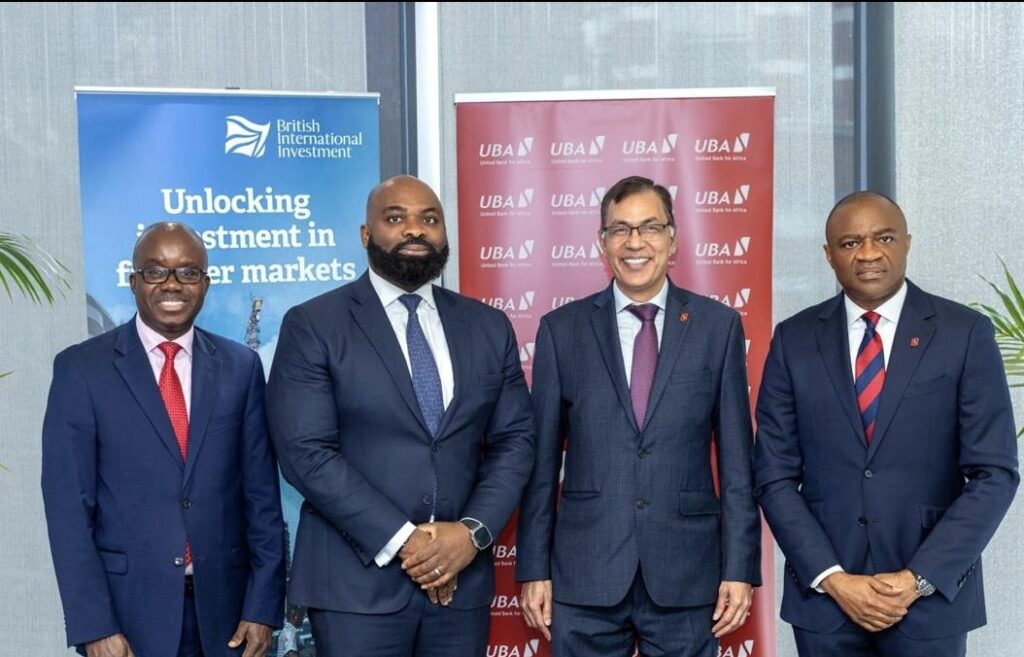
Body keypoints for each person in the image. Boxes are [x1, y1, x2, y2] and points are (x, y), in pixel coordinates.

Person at [265, 175, 535, 657]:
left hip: (461, 585)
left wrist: (470, 533)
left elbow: (515, 441)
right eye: (396, 218)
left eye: (429, 219)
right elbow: (306, 453)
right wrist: (408, 542)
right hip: (355, 588)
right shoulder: (314, 325)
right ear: (366, 234)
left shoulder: (487, 326)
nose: (415, 229)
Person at [753, 191, 1020, 656]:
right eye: (851, 242)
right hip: (826, 603)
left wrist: (917, 579)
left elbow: (994, 472)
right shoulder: (793, 339)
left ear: (907, 242)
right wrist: (832, 578)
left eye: (884, 238)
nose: (869, 253)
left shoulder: (964, 333)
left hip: (929, 601)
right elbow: (773, 475)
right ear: (829, 254)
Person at [516, 175, 762, 657]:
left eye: (649, 227)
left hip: (688, 575)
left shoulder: (718, 327)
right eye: (620, 229)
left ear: (673, 238)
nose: (635, 242)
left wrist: (739, 568)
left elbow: (738, 462)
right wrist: (534, 568)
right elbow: (540, 465)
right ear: (602, 242)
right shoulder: (562, 331)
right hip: (584, 575)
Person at [42, 222, 286, 657]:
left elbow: (262, 498)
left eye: (188, 272)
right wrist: (95, 625)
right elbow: (68, 510)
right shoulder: (81, 370)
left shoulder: (241, 367)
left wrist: (263, 608)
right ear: (133, 281)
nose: (172, 284)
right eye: (155, 271)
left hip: (227, 616)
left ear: (205, 284)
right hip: (126, 618)